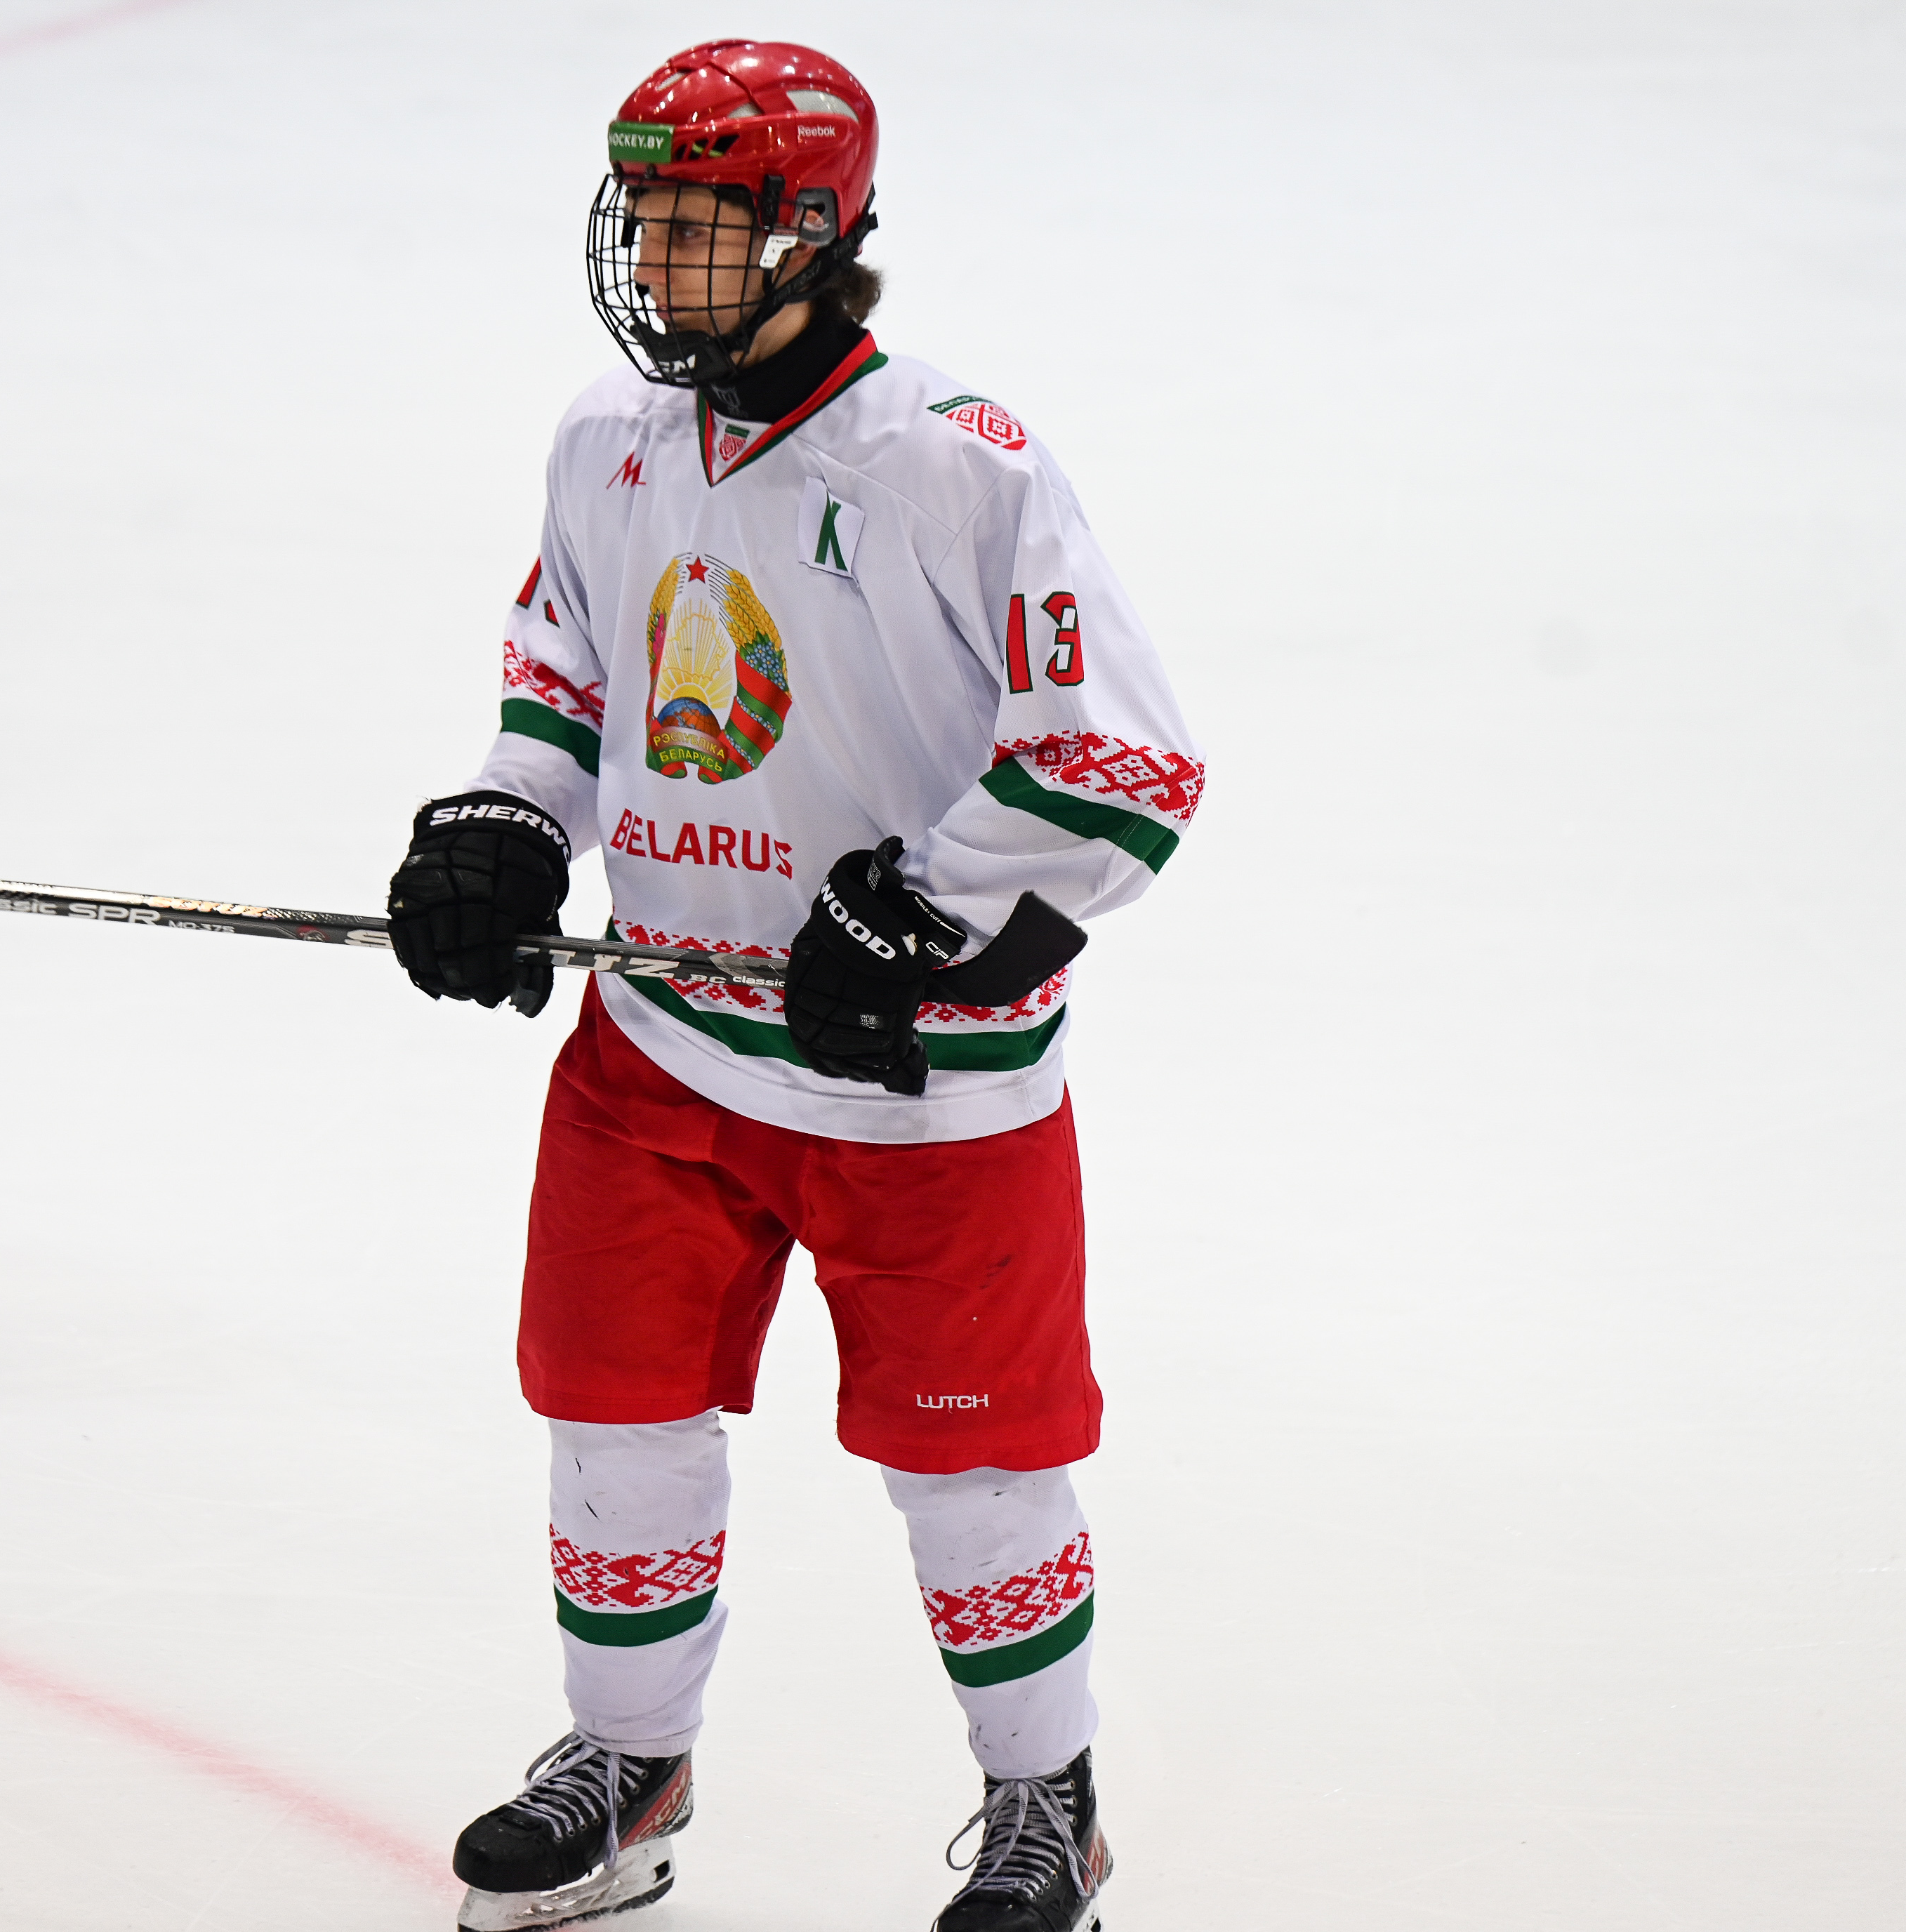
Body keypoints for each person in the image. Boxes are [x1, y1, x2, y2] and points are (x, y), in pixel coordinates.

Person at [385, 39, 1202, 1932]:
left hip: (927, 1095)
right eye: (641, 217)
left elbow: (1125, 764)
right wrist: (504, 826)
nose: (652, 257)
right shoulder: (606, 441)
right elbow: (564, 683)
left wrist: (922, 912)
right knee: (615, 1420)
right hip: (661, 1053)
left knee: (974, 1473)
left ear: (813, 235)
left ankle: (1047, 1808)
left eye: (698, 222)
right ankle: (628, 1768)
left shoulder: (957, 465)